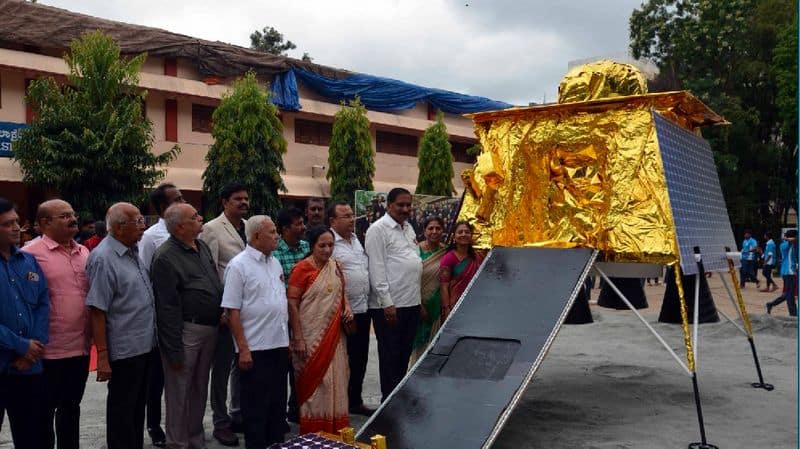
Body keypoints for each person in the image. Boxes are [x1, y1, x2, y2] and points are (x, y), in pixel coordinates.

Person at [151, 203, 222, 449]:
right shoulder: (165, 257)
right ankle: (177, 443)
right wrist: (173, 349)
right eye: (195, 217)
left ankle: (195, 439)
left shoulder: (200, 246)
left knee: (199, 389)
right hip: (185, 331)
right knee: (179, 392)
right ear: (180, 226)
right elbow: (166, 308)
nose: (201, 218)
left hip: (210, 328)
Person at [86, 202, 156, 449]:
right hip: (124, 349)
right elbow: (97, 310)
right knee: (122, 412)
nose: (142, 226)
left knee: (137, 409)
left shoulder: (133, 251)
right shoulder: (104, 258)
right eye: (136, 221)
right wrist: (103, 356)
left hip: (144, 344)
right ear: (117, 227)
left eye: (141, 220)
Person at [23, 200, 91, 449]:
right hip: (48, 350)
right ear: (44, 224)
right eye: (64, 216)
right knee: (42, 413)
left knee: (71, 409)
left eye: (73, 214)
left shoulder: (84, 252)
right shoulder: (29, 254)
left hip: (81, 347)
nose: (72, 219)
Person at [222, 216, 289, 447]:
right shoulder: (238, 265)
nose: (277, 235)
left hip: (278, 345)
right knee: (256, 408)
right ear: (257, 236)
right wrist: (243, 349)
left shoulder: (275, 263)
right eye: (272, 232)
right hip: (255, 349)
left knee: (277, 405)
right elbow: (232, 311)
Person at [287, 226, 354, 434]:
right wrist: (297, 338)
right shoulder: (301, 269)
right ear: (312, 245)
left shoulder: (336, 266)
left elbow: (342, 294)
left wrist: (348, 308)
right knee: (317, 384)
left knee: (337, 379)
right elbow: (292, 303)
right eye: (322, 245)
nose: (327, 250)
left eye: (331, 245)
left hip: (335, 337)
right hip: (309, 337)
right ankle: (314, 433)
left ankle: (336, 431)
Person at [200, 182, 249, 446]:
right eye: (237, 199)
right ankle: (221, 422)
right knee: (220, 369)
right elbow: (210, 272)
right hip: (225, 311)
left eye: (245, 199)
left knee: (242, 364)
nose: (243, 203)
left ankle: (238, 413)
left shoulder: (249, 227)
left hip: (248, 312)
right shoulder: (212, 229)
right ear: (224, 202)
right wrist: (222, 308)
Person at [138, 182, 186, 447]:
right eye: (175, 199)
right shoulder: (151, 237)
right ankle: (154, 425)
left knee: (181, 376)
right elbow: (145, 276)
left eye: (181, 197)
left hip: (186, 316)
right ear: (160, 207)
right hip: (160, 316)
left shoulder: (189, 231)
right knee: (157, 377)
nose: (181, 201)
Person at [0, 197, 49, 448]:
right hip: (5, 361)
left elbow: (42, 304)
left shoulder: (28, 262)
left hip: (28, 368)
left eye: (17, 221)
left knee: (30, 436)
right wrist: (20, 345)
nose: (17, 227)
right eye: (8, 224)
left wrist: (33, 348)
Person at [365, 187, 422, 402]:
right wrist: (387, 303)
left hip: (411, 303)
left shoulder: (408, 228)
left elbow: (413, 262)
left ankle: (398, 399)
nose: (405, 209)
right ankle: (388, 404)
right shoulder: (378, 230)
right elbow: (376, 269)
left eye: (408, 205)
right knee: (390, 357)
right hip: (389, 307)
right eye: (401, 205)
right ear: (389, 205)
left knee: (403, 355)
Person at [328, 201, 375, 416]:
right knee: (341, 360)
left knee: (360, 358)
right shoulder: (329, 243)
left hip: (362, 309)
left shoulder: (357, 240)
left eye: (351, 215)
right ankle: (338, 404)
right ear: (333, 221)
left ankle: (355, 400)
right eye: (345, 216)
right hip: (342, 313)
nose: (351, 220)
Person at [274, 207, 310, 422]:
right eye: (298, 224)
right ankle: (278, 415)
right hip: (281, 319)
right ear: (285, 229)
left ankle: (297, 409)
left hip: (306, 317)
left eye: (303, 223)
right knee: (282, 368)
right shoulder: (274, 252)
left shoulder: (307, 248)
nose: (303, 227)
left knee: (301, 365)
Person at [409, 216, 447, 365]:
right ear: (424, 231)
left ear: (443, 231)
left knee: (434, 345)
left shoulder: (445, 252)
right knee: (418, 346)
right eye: (430, 228)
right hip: (418, 304)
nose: (434, 231)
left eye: (438, 228)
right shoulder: (415, 251)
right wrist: (419, 305)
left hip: (437, 307)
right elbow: (410, 280)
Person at [439, 221, 484, 320]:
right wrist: (446, 308)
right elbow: (443, 285)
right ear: (454, 236)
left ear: (471, 236)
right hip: (454, 305)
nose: (464, 234)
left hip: (475, 304)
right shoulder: (448, 258)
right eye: (460, 232)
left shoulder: (478, 257)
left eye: (467, 232)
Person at [767, 230, 798, 316]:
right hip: (788, 272)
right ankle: (793, 314)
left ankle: (771, 304)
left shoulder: (791, 243)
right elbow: (793, 240)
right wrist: (788, 237)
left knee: (789, 293)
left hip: (790, 271)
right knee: (789, 294)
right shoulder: (784, 244)